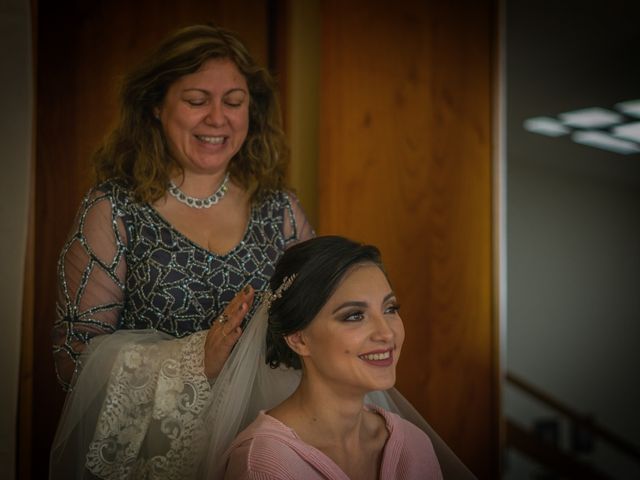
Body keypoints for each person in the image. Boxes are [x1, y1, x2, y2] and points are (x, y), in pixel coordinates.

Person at [50, 24, 314, 479]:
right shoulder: (114, 210)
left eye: (234, 101)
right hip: (157, 454)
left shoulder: (281, 210)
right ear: (155, 106)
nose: (218, 118)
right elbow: (74, 360)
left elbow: (316, 317)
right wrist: (195, 363)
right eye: (196, 101)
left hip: (267, 450)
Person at [204, 236, 476, 479]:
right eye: (354, 315)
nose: (386, 333)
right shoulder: (265, 464)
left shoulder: (413, 444)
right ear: (299, 339)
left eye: (390, 309)